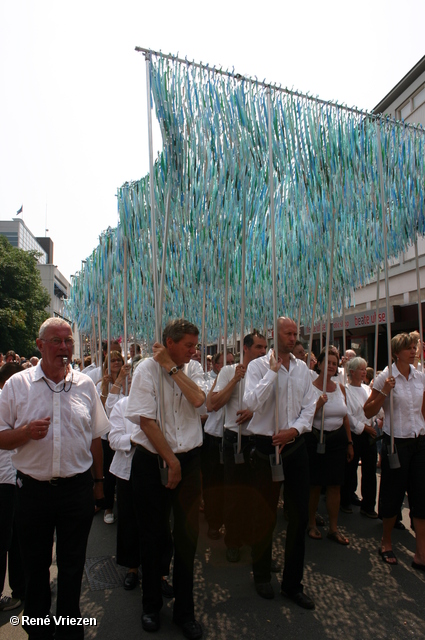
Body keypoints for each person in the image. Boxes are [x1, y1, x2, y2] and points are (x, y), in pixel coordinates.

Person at [0, 318, 109, 640]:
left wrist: (99, 483)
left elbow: (95, 438)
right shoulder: (17, 385)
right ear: (40, 345)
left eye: (68, 342)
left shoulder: (85, 385)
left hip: (76, 489)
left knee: (73, 565)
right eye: (56, 341)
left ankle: (69, 627)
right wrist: (24, 433)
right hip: (32, 491)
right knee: (36, 568)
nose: (64, 348)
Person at [126, 319, 205, 639]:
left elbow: (199, 400)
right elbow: (146, 420)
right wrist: (169, 460)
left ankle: (186, 611)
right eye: (188, 345)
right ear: (170, 342)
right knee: (152, 537)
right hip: (151, 461)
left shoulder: (192, 368)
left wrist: (173, 368)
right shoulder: (145, 370)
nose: (193, 350)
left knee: (187, 540)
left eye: (194, 345)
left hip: (190, 459)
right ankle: (151, 604)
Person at [243, 317, 316, 607]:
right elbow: (250, 404)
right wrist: (271, 374)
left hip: (294, 445)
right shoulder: (257, 367)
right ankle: (261, 574)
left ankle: (292, 583)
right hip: (265, 446)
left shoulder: (302, 369)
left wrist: (295, 430)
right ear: (275, 334)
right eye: (288, 333)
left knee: (299, 516)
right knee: (264, 514)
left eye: (295, 333)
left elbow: (310, 405)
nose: (292, 337)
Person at [364, 333, 425, 568]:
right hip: (395, 444)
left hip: (419, 441)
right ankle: (386, 541)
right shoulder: (385, 377)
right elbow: (368, 411)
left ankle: (420, 553)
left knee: (421, 497)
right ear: (397, 352)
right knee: (392, 494)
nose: (413, 351)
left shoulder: (420, 377)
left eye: (414, 348)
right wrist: (385, 392)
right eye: (409, 348)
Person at [208, 331, 267, 562]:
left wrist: (254, 410)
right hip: (236, 440)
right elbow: (213, 404)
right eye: (258, 347)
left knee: (259, 497)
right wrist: (234, 380)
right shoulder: (228, 371)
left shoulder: (268, 372)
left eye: (265, 347)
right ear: (246, 348)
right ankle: (233, 540)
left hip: (260, 439)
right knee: (234, 494)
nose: (263, 351)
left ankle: (257, 544)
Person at [306, 348, 353, 544]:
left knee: (335, 485)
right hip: (316, 439)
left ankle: (334, 528)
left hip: (337, 441)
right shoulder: (310, 388)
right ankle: (311, 523)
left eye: (335, 363)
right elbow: (305, 416)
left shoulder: (340, 388)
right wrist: (317, 404)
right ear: (319, 365)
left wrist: (349, 442)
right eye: (328, 363)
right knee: (315, 485)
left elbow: (345, 417)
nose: (332, 366)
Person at [0, 362, 25, 613]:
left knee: (16, 538)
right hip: (6, 480)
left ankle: (21, 588)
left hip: (12, 478)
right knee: (8, 539)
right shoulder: (4, 399)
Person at [201, 351, 234, 540]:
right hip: (213, 438)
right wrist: (222, 380)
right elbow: (211, 404)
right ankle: (213, 522)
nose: (229, 366)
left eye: (231, 362)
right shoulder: (208, 382)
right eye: (224, 363)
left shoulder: (237, 379)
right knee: (213, 484)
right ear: (215, 365)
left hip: (231, 439)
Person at [97, 350, 131, 524]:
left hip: (129, 430)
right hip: (109, 434)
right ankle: (108, 506)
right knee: (109, 473)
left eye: (119, 359)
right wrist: (106, 386)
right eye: (112, 360)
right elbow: (105, 409)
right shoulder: (102, 383)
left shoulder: (129, 379)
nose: (116, 362)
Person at [341, 357, 378, 518]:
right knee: (350, 469)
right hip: (356, 435)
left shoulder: (367, 389)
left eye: (365, 369)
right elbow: (347, 415)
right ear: (352, 372)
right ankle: (346, 499)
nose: (364, 372)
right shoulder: (346, 390)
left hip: (370, 435)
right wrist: (364, 428)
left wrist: (377, 421)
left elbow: (373, 408)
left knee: (370, 470)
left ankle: (368, 504)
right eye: (361, 369)